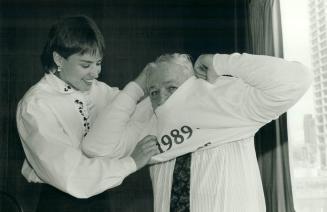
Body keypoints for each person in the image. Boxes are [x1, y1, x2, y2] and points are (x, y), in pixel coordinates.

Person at [83, 52, 312, 212]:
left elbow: (296, 79)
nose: (162, 99)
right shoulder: (150, 124)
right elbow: (96, 147)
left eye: (172, 88)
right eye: (154, 92)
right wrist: (137, 87)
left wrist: (222, 63)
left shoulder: (229, 104)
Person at [16, 15, 158, 212]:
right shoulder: (36, 105)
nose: (95, 72)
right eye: (85, 65)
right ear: (59, 59)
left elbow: (133, 107)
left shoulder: (99, 90)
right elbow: (71, 174)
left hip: (102, 201)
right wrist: (131, 162)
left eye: (98, 63)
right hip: (60, 204)